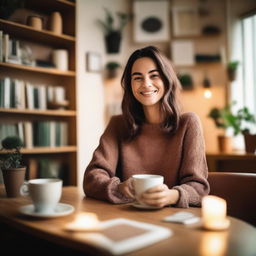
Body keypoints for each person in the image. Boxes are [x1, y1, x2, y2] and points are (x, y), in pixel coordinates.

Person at [83, 46, 209, 208]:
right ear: (130, 85)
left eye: (154, 75)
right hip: (127, 219)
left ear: (166, 79)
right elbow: (91, 178)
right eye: (137, 78)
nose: (146, 84)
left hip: (174, 220)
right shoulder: (118, 124)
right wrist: (118, 187)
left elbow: (199, 188)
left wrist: (172, 196)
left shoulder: (188, 123)